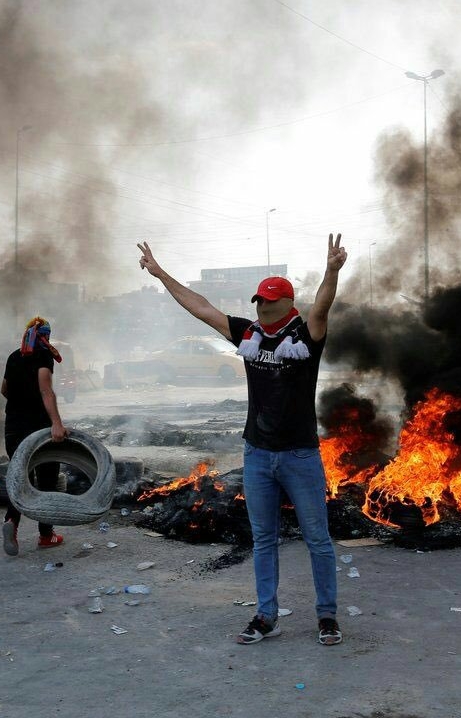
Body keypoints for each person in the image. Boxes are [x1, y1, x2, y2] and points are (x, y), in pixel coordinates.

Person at [137, 234, 348, 646]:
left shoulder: (307, 337)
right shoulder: (248, 334)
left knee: (317, 539)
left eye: (270, 300)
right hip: (257, 455)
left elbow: (323, 304)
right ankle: (266, 615)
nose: (263, 306)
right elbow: (202, 308)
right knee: (264, 538)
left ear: (288, 304)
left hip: (300, 456)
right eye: (259, 301)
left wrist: (331, 272)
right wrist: (161, 274)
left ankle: (327, 617)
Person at [0, 316, 68, 555]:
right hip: (37, 429)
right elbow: (46, 390)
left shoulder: (13, 356)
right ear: (45, 336)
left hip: (12, 426)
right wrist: (57, 423)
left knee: (21, 476)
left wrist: (20, 404)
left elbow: (4, 390)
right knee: (47, 479)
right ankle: (46, 535)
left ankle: (11, 522)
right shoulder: (43, 356)